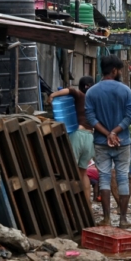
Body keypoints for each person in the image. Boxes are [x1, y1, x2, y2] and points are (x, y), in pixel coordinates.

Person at [85, 55, 131, 228]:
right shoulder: (126, 91)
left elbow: (90, 118)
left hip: (100, 142)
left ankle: (106, 218)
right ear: (114, 71)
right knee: (122, 178)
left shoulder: (92, 92)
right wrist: (115, 132)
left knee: (104, 179)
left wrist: (107, 133)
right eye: (119, 70)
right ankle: (122, 219)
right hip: (123, 142)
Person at [48, 76, 94, 204]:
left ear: (84, 87)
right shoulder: (94, 100)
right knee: (83, 173)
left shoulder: (80, 95)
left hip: (78, 135)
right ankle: (87, 203)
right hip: (90, 137)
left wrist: (52, 95)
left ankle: (70, 203)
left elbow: (69, 91)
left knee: (69, 170)